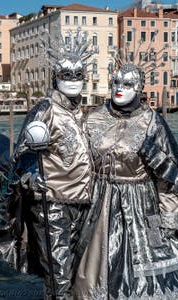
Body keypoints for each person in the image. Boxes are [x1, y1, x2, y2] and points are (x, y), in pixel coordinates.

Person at [0, 27, 97, 300]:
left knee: (75, 270)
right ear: (55, 77)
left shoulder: (81, 113)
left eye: (78, 75)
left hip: (83, 203)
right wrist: (33, 174)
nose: (73, 80)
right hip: (52, 203)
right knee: (58, 272)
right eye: (66, 74)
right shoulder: (45, 109)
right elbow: (23, 157)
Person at [73, 60, 178, 299]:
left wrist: (169, 215)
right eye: (116, 82)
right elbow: (77, 164)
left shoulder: (152, 122)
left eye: (128, 84)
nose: (119, 88)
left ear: (139, 88)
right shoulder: (93, 117)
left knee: (140, 270)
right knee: (91, 267)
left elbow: (168, 176)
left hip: (139, 204)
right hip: (97, 203)